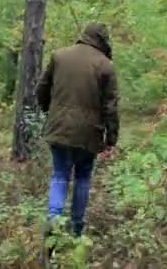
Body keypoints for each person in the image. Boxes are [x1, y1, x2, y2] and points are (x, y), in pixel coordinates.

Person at [36, 22, 120, 240]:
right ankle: (76, 231)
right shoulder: (105, 65)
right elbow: (110, 106)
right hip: (89, 134)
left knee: (59, 176)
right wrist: (111, 139)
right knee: (82, 178)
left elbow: (42, 89)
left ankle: (53, 224)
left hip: (59, 128)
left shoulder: (59, 56)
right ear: (102, 40)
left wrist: (50, 111)